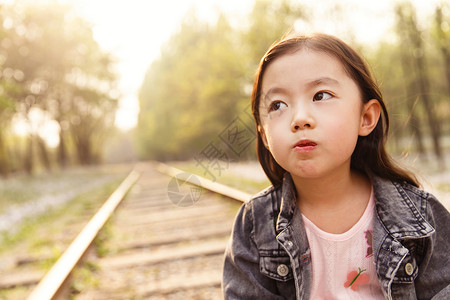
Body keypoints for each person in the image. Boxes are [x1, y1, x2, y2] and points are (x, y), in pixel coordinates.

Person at [222, 33, 450, 300]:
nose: (300, 119)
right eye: (278, 105)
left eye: (320, 95)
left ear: (365, 118)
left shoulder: (419, 215)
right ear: (263, 134)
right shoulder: (255, 224)